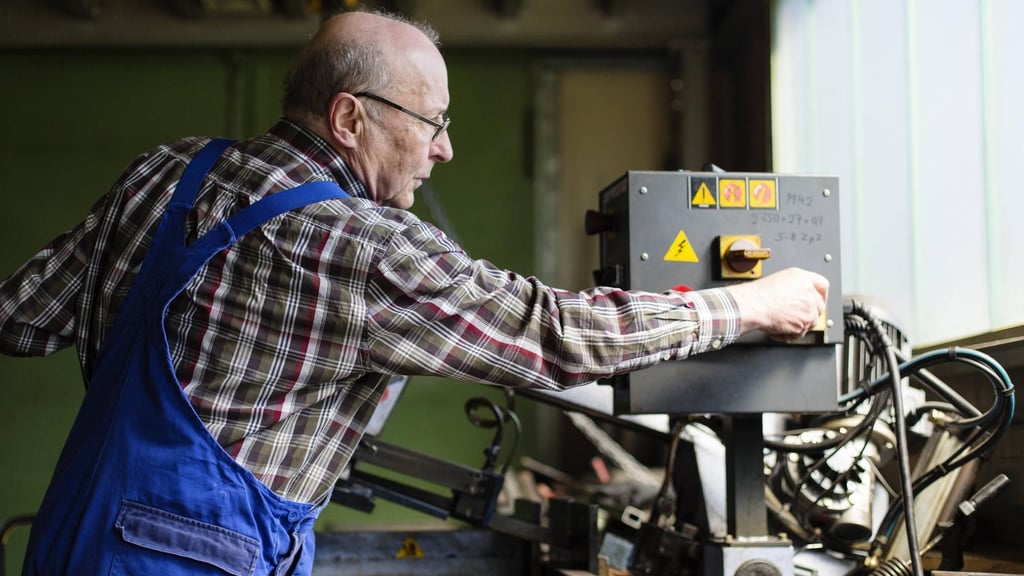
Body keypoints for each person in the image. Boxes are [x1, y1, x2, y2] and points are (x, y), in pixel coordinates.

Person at [0, 8, 828, 575]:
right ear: (349, 119)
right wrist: (744, 306)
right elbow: (552, 336)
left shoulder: (167, 172)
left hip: (67, 537)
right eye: (433, 122)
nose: (444, 149)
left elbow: (21, 319)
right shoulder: (359, 245)